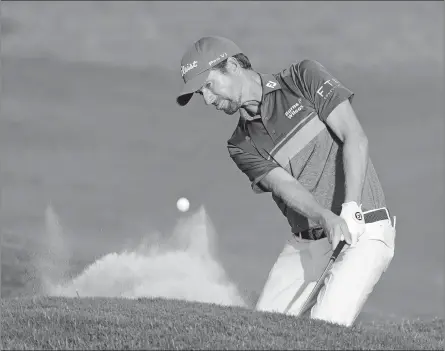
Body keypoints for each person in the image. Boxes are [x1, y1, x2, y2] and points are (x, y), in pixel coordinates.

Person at [175, 36, 396, 327]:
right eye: (201, 94)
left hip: (362, 229)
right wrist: (324, 217)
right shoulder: (241, 144)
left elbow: (353, 136)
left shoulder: (302, 78)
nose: (207, 100)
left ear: (231, 66)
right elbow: (285, 186)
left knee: (323, 329)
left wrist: (351, 207)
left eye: (208, 86)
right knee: (262, 333)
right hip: (307, 246)